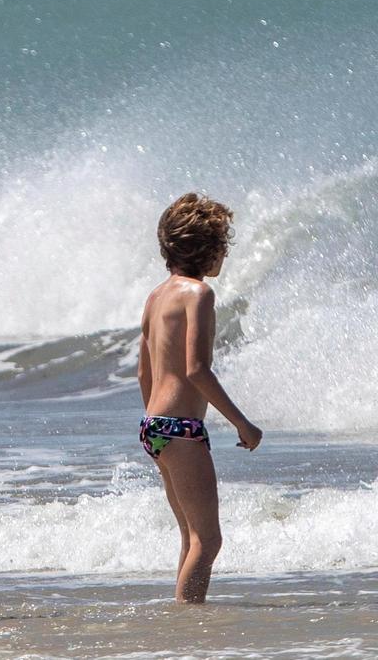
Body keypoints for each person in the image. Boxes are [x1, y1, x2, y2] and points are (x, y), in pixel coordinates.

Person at [137, 192, 262, 604]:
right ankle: (189, 620)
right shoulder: (198, 294)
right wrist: (242, 423)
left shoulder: (156, 297)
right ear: (207, 248)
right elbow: (196, 369)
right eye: (223, 243)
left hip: (155, 427)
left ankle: (183, 624)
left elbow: (144, 373)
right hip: (180, 428)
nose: (225, 253)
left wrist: (157, 424)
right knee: (208, 541)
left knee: (191, 538)